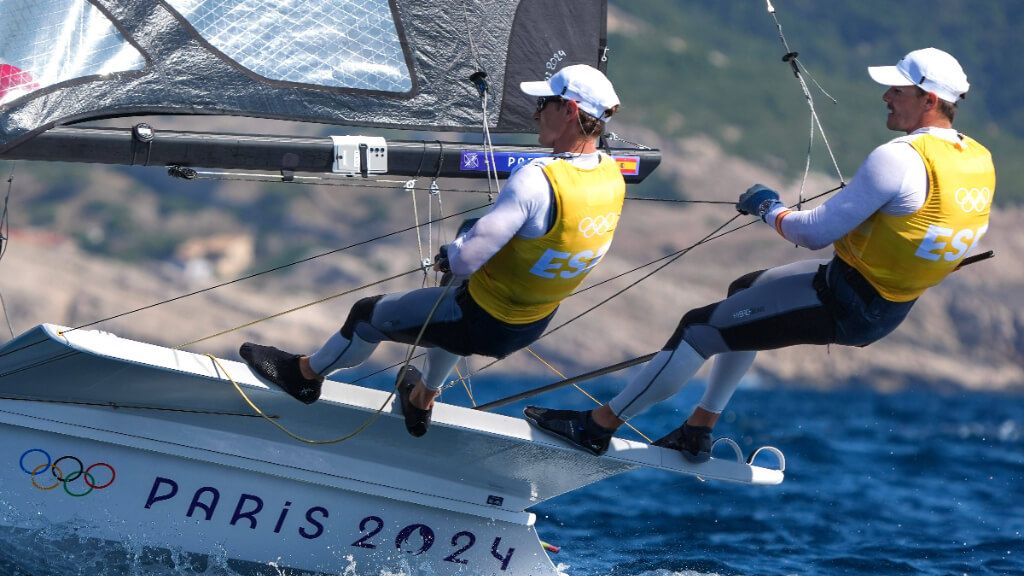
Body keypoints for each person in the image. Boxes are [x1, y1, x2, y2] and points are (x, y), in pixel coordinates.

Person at [525, 47, 995, 459]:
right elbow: (963, 234)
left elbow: (813, 233)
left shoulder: (899, 158)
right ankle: (697, 431)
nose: (886, 97)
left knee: (698, 329)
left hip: (844, 300)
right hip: (881, 304)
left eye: (896, 90)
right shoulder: (978, 159)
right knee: (744, 290)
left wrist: (768, 208)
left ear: (928, 100)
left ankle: (596, 428)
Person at [240, 64, 627, 437]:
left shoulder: (538, 179)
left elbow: (466, 258)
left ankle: (305, 376)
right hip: (532, 324)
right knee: (458, 280)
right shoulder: (612, 176)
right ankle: (421, 397)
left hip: (481, 320)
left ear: (570, 109)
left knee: (365, 315)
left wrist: (451, 251)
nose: (536, 112)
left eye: (544, 104)